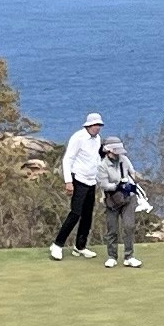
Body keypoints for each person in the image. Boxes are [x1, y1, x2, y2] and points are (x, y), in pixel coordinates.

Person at [52, 110, 110, 261]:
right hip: (78, 179)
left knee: (87, 216)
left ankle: (80, 246)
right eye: (96, 125)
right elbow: (68, 159)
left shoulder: (97, 139)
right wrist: (68, 181)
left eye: (99, 125)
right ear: (89, 125)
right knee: (75, 213)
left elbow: (95, 158)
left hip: (91, 181)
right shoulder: (78, 137)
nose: (98, 128)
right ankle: (57, 245)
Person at [101, 140, 149, 269]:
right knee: (112, 229)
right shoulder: (103, 166)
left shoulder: (124, 160)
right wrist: (118, 186)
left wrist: (129, 183)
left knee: (129, 226)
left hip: (128, 198)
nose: (118, 154)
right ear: (108, 151)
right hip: (112, 201)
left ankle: (129, 256)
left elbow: (132, 173)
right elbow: (104, 184)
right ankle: (112, 256)